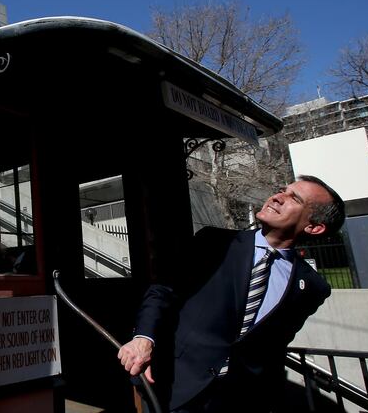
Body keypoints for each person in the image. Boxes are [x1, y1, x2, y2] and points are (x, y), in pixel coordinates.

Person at [118, 175, 345, 412]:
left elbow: (274, 346)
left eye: (294, 198)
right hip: (175, 386)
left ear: (314, 226)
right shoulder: (212, 242)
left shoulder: (313, 287)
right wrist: (144, 339)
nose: (277, 197)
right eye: (282, 190)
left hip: (238, 399)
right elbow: (163, 291)